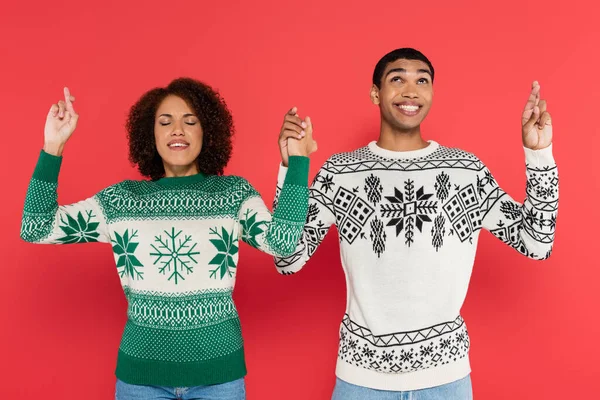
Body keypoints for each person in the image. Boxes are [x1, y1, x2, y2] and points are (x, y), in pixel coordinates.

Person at [275, 48, 558, 399]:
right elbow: (287, 257)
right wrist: (293, 170)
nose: (411, 91)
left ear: (432, 93)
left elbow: (536, 241)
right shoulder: (341, 173)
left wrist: (539, 153)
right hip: (361, 381)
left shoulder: (464, 172)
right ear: (375, 93)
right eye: (398, 79)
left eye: (422, 80)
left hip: (446, 380)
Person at [20, 78, 316, 400]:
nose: (178, 130)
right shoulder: (121, 201)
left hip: (219, 379)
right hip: (140, 381)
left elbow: (284, 242)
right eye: (166, 122)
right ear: (151, 135)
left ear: (208, 133)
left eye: (190, 121)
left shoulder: (234, 194)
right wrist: (53, 146)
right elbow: (37, 227)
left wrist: (296, 162)